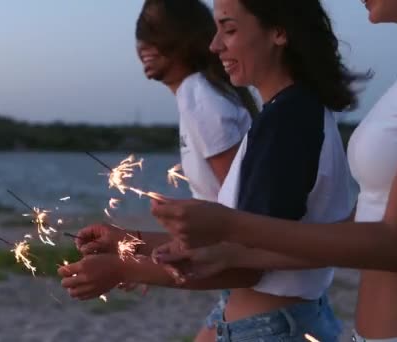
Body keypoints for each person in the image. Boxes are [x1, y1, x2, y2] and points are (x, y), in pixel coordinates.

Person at [151, 0, 397, 341]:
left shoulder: (293, 117)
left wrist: (229, 226)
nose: (214, 45)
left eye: (229, 29)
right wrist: (218, 251)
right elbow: (360, 226)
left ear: (279, 31)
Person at [59, 0, 257, 340]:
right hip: (240, 300)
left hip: (261, 309)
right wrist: (130, 245)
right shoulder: (200, 96)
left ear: (191, 37)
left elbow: (248, 229)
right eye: (140, 34)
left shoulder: (202, 98)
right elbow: (229, 230)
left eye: (155, 33)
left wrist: (130, 265)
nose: (143, 45)